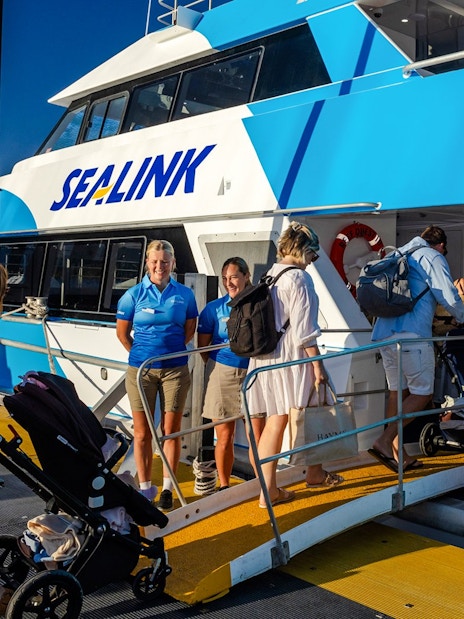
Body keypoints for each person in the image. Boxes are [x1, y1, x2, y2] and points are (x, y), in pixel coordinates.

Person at [247, 222, 344, 509]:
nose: (313, 261)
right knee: (313, 411)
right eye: (312, 254)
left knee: (276, 419)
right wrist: (318, 367)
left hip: (267, 357)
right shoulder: (300, 279)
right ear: (303, 250)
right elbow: (305, 330)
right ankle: (312, 474)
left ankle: (269, 490)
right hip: (293, 358)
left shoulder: (271, 274)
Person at [369, 225, 464, 473]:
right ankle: (384, 440)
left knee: (396, 392)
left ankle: (398, 454)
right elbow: (448, 296)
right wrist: (462, 317)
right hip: (411, 336)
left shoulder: (398, 252)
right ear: (441, 245)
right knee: (422, 394)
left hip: (384, 335)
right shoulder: (433, 256)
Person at [116, 240, 198, 511]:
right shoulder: (133, 295)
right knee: (141, 434)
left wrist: (168, 354)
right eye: (155, 261)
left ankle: (166, 489)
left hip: (175, 370)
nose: (159, 266)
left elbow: (189, 330)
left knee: (171, 432)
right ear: (147, 263)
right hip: (141, 373)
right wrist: (143, 357)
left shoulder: (185, 295)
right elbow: (122, 334)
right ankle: (144, 489)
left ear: (173, 264)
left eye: (165, 262)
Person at [198, 257, 265, 490]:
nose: (229, 283)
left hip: (255, 373)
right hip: (222, 373)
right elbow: (204, 348)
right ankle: (224, 486)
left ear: (246, 276)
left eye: (234, 277)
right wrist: (224, 367)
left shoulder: (260, 304)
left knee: (257, 436)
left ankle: (263, 485)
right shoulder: (212, 309)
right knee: (224, 436)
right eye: (225, 278)